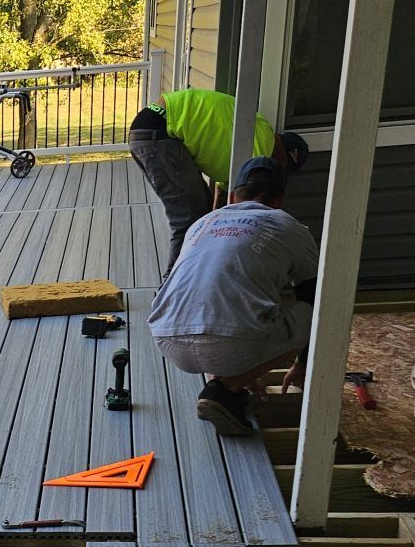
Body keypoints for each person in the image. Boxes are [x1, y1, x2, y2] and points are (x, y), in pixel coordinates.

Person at [147, 157, 319, 437]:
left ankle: (224, 378)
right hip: (230, 343)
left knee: (226, 308)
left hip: (167, 339)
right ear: (278, 200)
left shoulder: (203, 223)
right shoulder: (287, 225)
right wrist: (302, 364)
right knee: (315, 312)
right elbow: (314, 297)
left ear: (232, 197)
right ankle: (226, 388)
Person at [128, 88, 309, 267]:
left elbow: (223, 193)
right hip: (162, 131)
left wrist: (213, 220)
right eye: (282, 165)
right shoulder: (260, 150)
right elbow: (245, 210)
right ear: (283, 156)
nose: (276, 169)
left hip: (154, 124)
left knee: (200, 214)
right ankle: (172, 281)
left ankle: (195, 270)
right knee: (188, 217)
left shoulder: (258, 129)